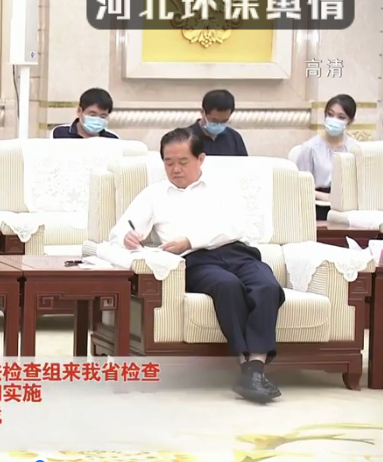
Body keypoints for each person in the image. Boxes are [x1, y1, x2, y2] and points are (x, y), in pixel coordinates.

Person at [110, 128, 284, 404]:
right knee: (227, 286)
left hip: (238, 253)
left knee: (267, 286)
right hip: (195, 261)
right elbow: (120, 230)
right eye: (169, 162)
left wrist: (189, 239)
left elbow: (235, 227)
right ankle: (250, 369)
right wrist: (127, 237)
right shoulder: (154, 194)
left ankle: (254, 369)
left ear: (200, 159)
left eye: (183, 162)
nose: (175, 169)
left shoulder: (222, 187)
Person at [294, 94, 358, 221]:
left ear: (350, 121)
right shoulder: (310, 148)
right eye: (330, 114)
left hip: (348, 209)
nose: (334, 120)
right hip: (316, 206)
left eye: (341, 117)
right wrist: (325, 197)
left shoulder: (355, 149)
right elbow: (299, 186)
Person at [188, 89, 248, 156]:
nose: (219, 124)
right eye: (214, 120)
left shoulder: (234, 138)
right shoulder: (185, 138)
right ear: (203, 112)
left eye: (224, 121)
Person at [51, 88, 119, 139]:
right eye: (92, 115)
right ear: (79, 111)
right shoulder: (59, 133)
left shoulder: (112, 139)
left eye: (103, 116)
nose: (97, 120)